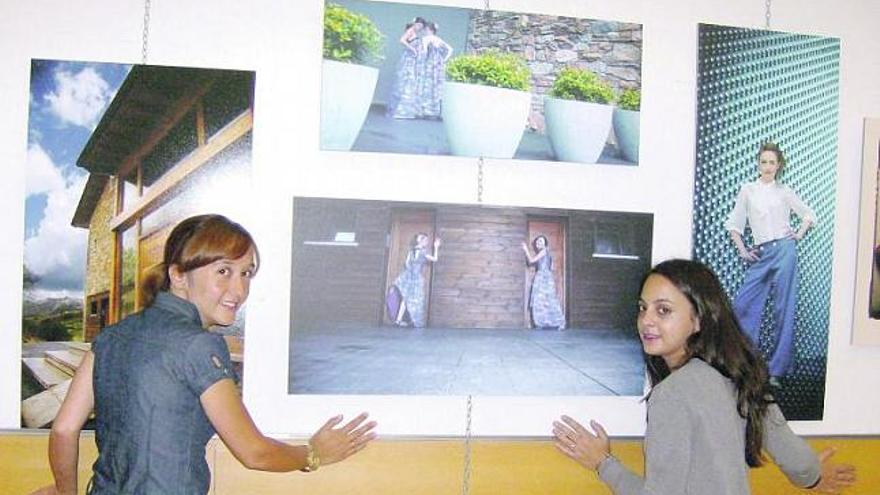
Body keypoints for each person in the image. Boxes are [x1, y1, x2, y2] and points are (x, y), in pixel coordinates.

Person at [35, 214, 377, 495]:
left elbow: (64, 430)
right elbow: (253, 452)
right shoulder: (200, 345)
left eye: (246, 273)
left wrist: (66, 492)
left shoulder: (111, 337)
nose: (240, 289)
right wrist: (313, 454)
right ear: (178, 276)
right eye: (224, 272)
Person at [552, 259, 856, 494]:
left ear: (698, 319)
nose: (646, 320)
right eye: (643, 308)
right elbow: (797, 460)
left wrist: (603, 464)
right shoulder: (740, 376)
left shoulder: (672, 393)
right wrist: (814, 479)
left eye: (664, 310)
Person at [725, 142, 815, 386]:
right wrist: (743, 250)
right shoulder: (748, 190)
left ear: (779, 166)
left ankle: (776, 371)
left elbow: (808, 214)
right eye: (763, 162)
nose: (767, 166)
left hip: (785, 250)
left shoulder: (784, 191)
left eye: (772, 162)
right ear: (758, 163)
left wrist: (798, 233)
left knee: (783, 309)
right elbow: (735, 223)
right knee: (743, 305)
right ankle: (742, 365)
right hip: (762, 253)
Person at [392, 233, 440, 328]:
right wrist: (436, 247)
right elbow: (435, 259)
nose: (427, 242)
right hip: (416, 278)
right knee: (416, 299)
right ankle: (414, 321)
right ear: (421, 241)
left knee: (406, 299)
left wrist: (411, 271)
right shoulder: (423, 252)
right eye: (425, 240)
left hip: (409, 276)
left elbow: (406, 264)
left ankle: (398, 320)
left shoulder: (412, 251)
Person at [385, 17, 427, 119]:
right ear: (415, 23)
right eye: (419, 25)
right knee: (404, 81)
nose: (420, 27)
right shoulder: (410, 30)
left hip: (412, 60)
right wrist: (412, 49)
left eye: (421, 26)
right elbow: (402, 40)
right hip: (408, 59)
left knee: (410, 83)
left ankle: (405, 111)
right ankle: (398, 111)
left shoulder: (415, 32)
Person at [522, 235, 565, 330]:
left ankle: (558, 322)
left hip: (544, 277)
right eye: (537, 242)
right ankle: (542, 323)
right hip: (542, 277)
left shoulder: (544, 251)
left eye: (541, 241)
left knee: (547, 300)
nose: (538, 243)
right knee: (541, 301)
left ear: (545, 243)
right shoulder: (546, 252)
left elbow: (531, 261)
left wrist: (525, 250)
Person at [416, 22, 453, 119]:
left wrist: (420, 61)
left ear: (430, 30)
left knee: (425, 86)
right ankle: (434, 111)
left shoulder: (425, 39)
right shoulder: (438, 40)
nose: (424, 31)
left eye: (426, 29)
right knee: (436, 87)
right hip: (438, 66)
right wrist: (444, 59)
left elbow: (423, 52)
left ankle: (423, 110)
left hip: (429, 65)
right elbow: (450, 49)